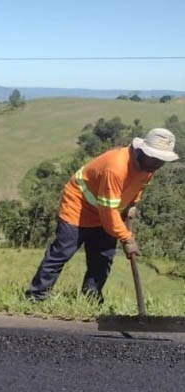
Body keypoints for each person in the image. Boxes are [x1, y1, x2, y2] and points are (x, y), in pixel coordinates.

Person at [25, 127, 178, 303]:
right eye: (156, 157)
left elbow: (139, 186)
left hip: (107, 207)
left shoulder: (149, 166)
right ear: (143, 151)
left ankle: (90, 299)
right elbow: (109, 214)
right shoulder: (116, 167)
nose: (159, 163)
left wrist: (132, 204)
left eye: (162, 159)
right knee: (61, 252)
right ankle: (36, 296)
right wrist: (127, 239)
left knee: (103, 258)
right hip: (79, 206)